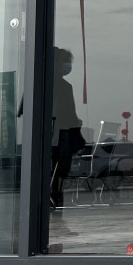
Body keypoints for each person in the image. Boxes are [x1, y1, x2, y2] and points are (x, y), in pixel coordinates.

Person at [50, 47, 84, 208]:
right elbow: (69, 114)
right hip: (60, 138)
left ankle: (54, 203)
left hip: (53, 138)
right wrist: (77, 125)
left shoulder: (39, 84)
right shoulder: (64, 87)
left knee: (53, 175)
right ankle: (55, 203)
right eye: (66, 62)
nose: (68, 65)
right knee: (57, 175)